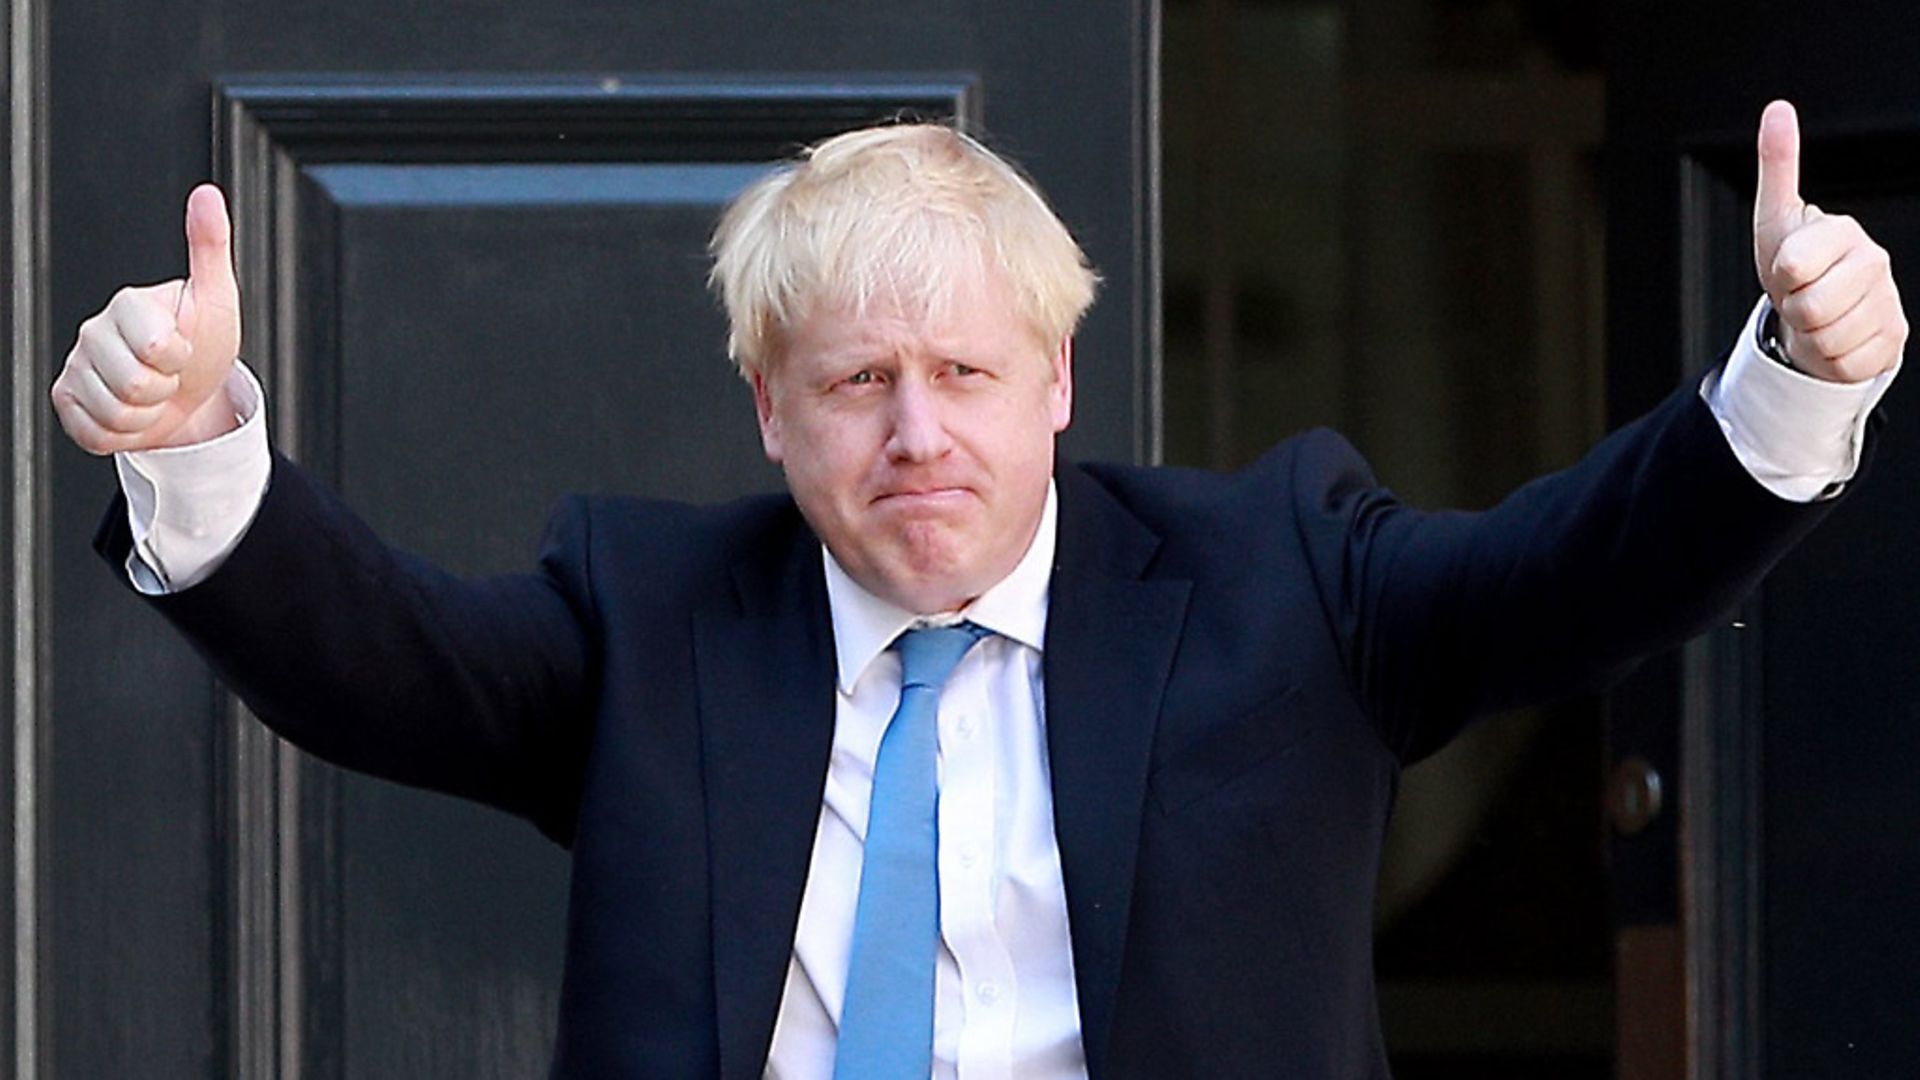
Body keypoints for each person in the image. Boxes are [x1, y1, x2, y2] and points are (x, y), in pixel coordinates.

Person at [52, 101, 1903, 1078]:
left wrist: (1793, 379)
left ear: (1061, 386)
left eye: (966, 374)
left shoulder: (1280, 576)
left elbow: (1566, 577)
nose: (918, 433)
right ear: (772, 409)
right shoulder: (656, 612)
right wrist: (200, 430)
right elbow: (385, 666)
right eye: (859, 382)